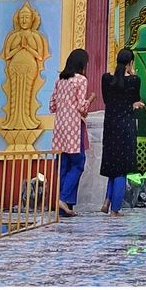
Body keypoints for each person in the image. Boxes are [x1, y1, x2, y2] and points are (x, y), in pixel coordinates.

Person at [49, 48, 95, 217]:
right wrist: (91, 99)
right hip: (74, 127)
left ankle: (64, 206)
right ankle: (63, 198)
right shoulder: (81, 80)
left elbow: (52, 106)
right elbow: (81, 107)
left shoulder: (60, 80)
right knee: (78, 163)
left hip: (59, 127)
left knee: (63, 165)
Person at [99, 49, 145, 217]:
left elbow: (107, 100)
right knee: (121, 168)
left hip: (110, 126)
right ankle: (115, 209)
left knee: (113, 165)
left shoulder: (106, 79)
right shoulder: (134, 80)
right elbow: (135, 100)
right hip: (126, 126)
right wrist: (134, 105)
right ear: (130, 63)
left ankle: (107, 201)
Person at [0, 2, 50, 131]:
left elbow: (39, 56)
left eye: (27, 17)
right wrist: (18, 48)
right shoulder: (13, 36)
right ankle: (12, 120)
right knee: (15, 94)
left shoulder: (36, 36)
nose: (24, 20)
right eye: (22, 17)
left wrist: (27, 47)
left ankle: (28, 119)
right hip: (14, 67)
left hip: (30, 67)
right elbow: (6, 55)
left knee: (26, 93)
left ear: (32, 19)